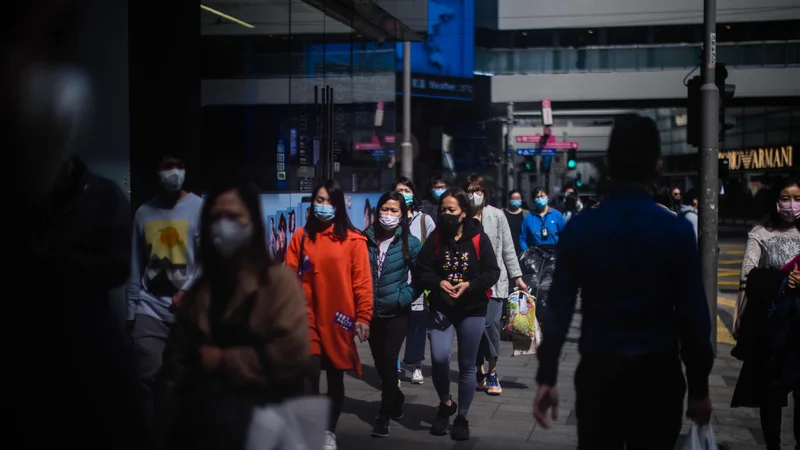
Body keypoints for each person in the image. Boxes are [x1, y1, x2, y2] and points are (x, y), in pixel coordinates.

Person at [532, 113, 714, 448]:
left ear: (608, 165)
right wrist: (699, 387)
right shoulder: (675, 231)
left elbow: (558, 310)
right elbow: (693, 317)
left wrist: (547, 376)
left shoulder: (582, 228)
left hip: (600, 375)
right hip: (658, 377)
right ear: (657, 167)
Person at [11, 2, 142, 446]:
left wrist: (53, 259)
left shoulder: (102, 197)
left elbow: (114, 267)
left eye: (57, 46)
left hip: (84, 360)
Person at [156, 179, 309, 450]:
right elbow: (174, 367)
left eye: (234, 216)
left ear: (253, 222)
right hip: (203, 429)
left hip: (264, 427)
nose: (224, 225)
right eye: (216, 217)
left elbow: (291, 355)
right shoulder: (200, 291)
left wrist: (223, 361)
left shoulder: (277, 284)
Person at [284, 179, 373, 450]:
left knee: (335, 376)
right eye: (318, 200)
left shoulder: (354, 240)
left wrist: (363, 316)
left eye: (329, 201)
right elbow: (287, 275)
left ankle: (327, 432)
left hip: (339, 320)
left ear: (339, 205)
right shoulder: (301, 236)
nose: (323, 206)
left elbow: (362, 282)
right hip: (306, 317)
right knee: (309, 373)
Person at [126, 151, 204, 435]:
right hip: (150, 308)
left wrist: (187, 291)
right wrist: (131, 311)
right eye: (166, 166)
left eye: (178, 166)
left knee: (188, 381)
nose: (173, 172)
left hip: (187, 312)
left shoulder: (198, 208)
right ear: (157, 171)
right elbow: (135, 265)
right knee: (145, 377)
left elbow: (205, 261)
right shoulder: (143, 214)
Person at [416, 189, 500, 441]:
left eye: (451, 210)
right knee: (440, 359)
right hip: (442, 309)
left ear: (464, 212)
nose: (446, 214)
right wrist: (438, 282)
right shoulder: (436, 238)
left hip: (472, 310)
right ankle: (445, 404)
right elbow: (422, 268)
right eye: (442, 209)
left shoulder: (479, 238)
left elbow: (492, 272)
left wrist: (470, 285)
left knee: (466, 365)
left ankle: (462, 415)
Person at [731, 179, 800, 450]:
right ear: (776, 200)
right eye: (786, 197)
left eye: (797, 197)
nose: (792, 204)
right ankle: (773, 445)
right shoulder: (761, 233)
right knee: (771, 392)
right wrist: (783, 280)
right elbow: (748, 274)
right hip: (774, 328)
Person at [363, 191, 422, 437]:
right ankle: (396, 398)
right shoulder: (363, 239)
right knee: (380, 364)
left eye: (394, 210)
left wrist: (404, 297)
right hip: (371, 313)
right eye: (384, 209)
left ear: (403, 214)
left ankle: (383, 415)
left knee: (389, 362)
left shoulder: (411, 242)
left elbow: (421, 278)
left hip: (397, 313)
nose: (388, 215)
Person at [464, 175, 527, 396]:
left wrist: (517, 276)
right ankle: (479, 370)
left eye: (478, 190)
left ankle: (493, 371)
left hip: (495, 282)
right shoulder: (462, 216)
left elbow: (508, 248)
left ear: (485, 192)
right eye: (470, 190)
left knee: (490, 326)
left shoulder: (497, 216)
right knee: (476, 329)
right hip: (469, 284)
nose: (474, 195)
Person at [391, 176, 436, 385]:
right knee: (396, 327)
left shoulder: (424, 220)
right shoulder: (390, 218)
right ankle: (395, 367)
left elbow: (435, 248)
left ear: (413, 194)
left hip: (417, 284)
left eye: (406, 190)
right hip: (395, 283)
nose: (402, 193)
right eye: (398, 190)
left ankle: (416, 365)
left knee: (417, 327)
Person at [519, 187, 566, 253]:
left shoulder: (557, 216)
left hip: (554, 255)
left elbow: (565, 236)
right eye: (537, 197)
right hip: (536, 257)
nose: (540, 199)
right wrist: (527, 252)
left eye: (542, 196)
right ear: (534, 200)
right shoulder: (528, 218)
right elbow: (522, 238)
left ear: (547, 197)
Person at [504, 189, 529, 257]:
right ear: (509, 200)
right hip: (507, 250)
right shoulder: (502, 214)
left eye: (518, 198)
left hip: (522, 250)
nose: (516, 200)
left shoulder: (526, 214)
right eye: (513, 198)